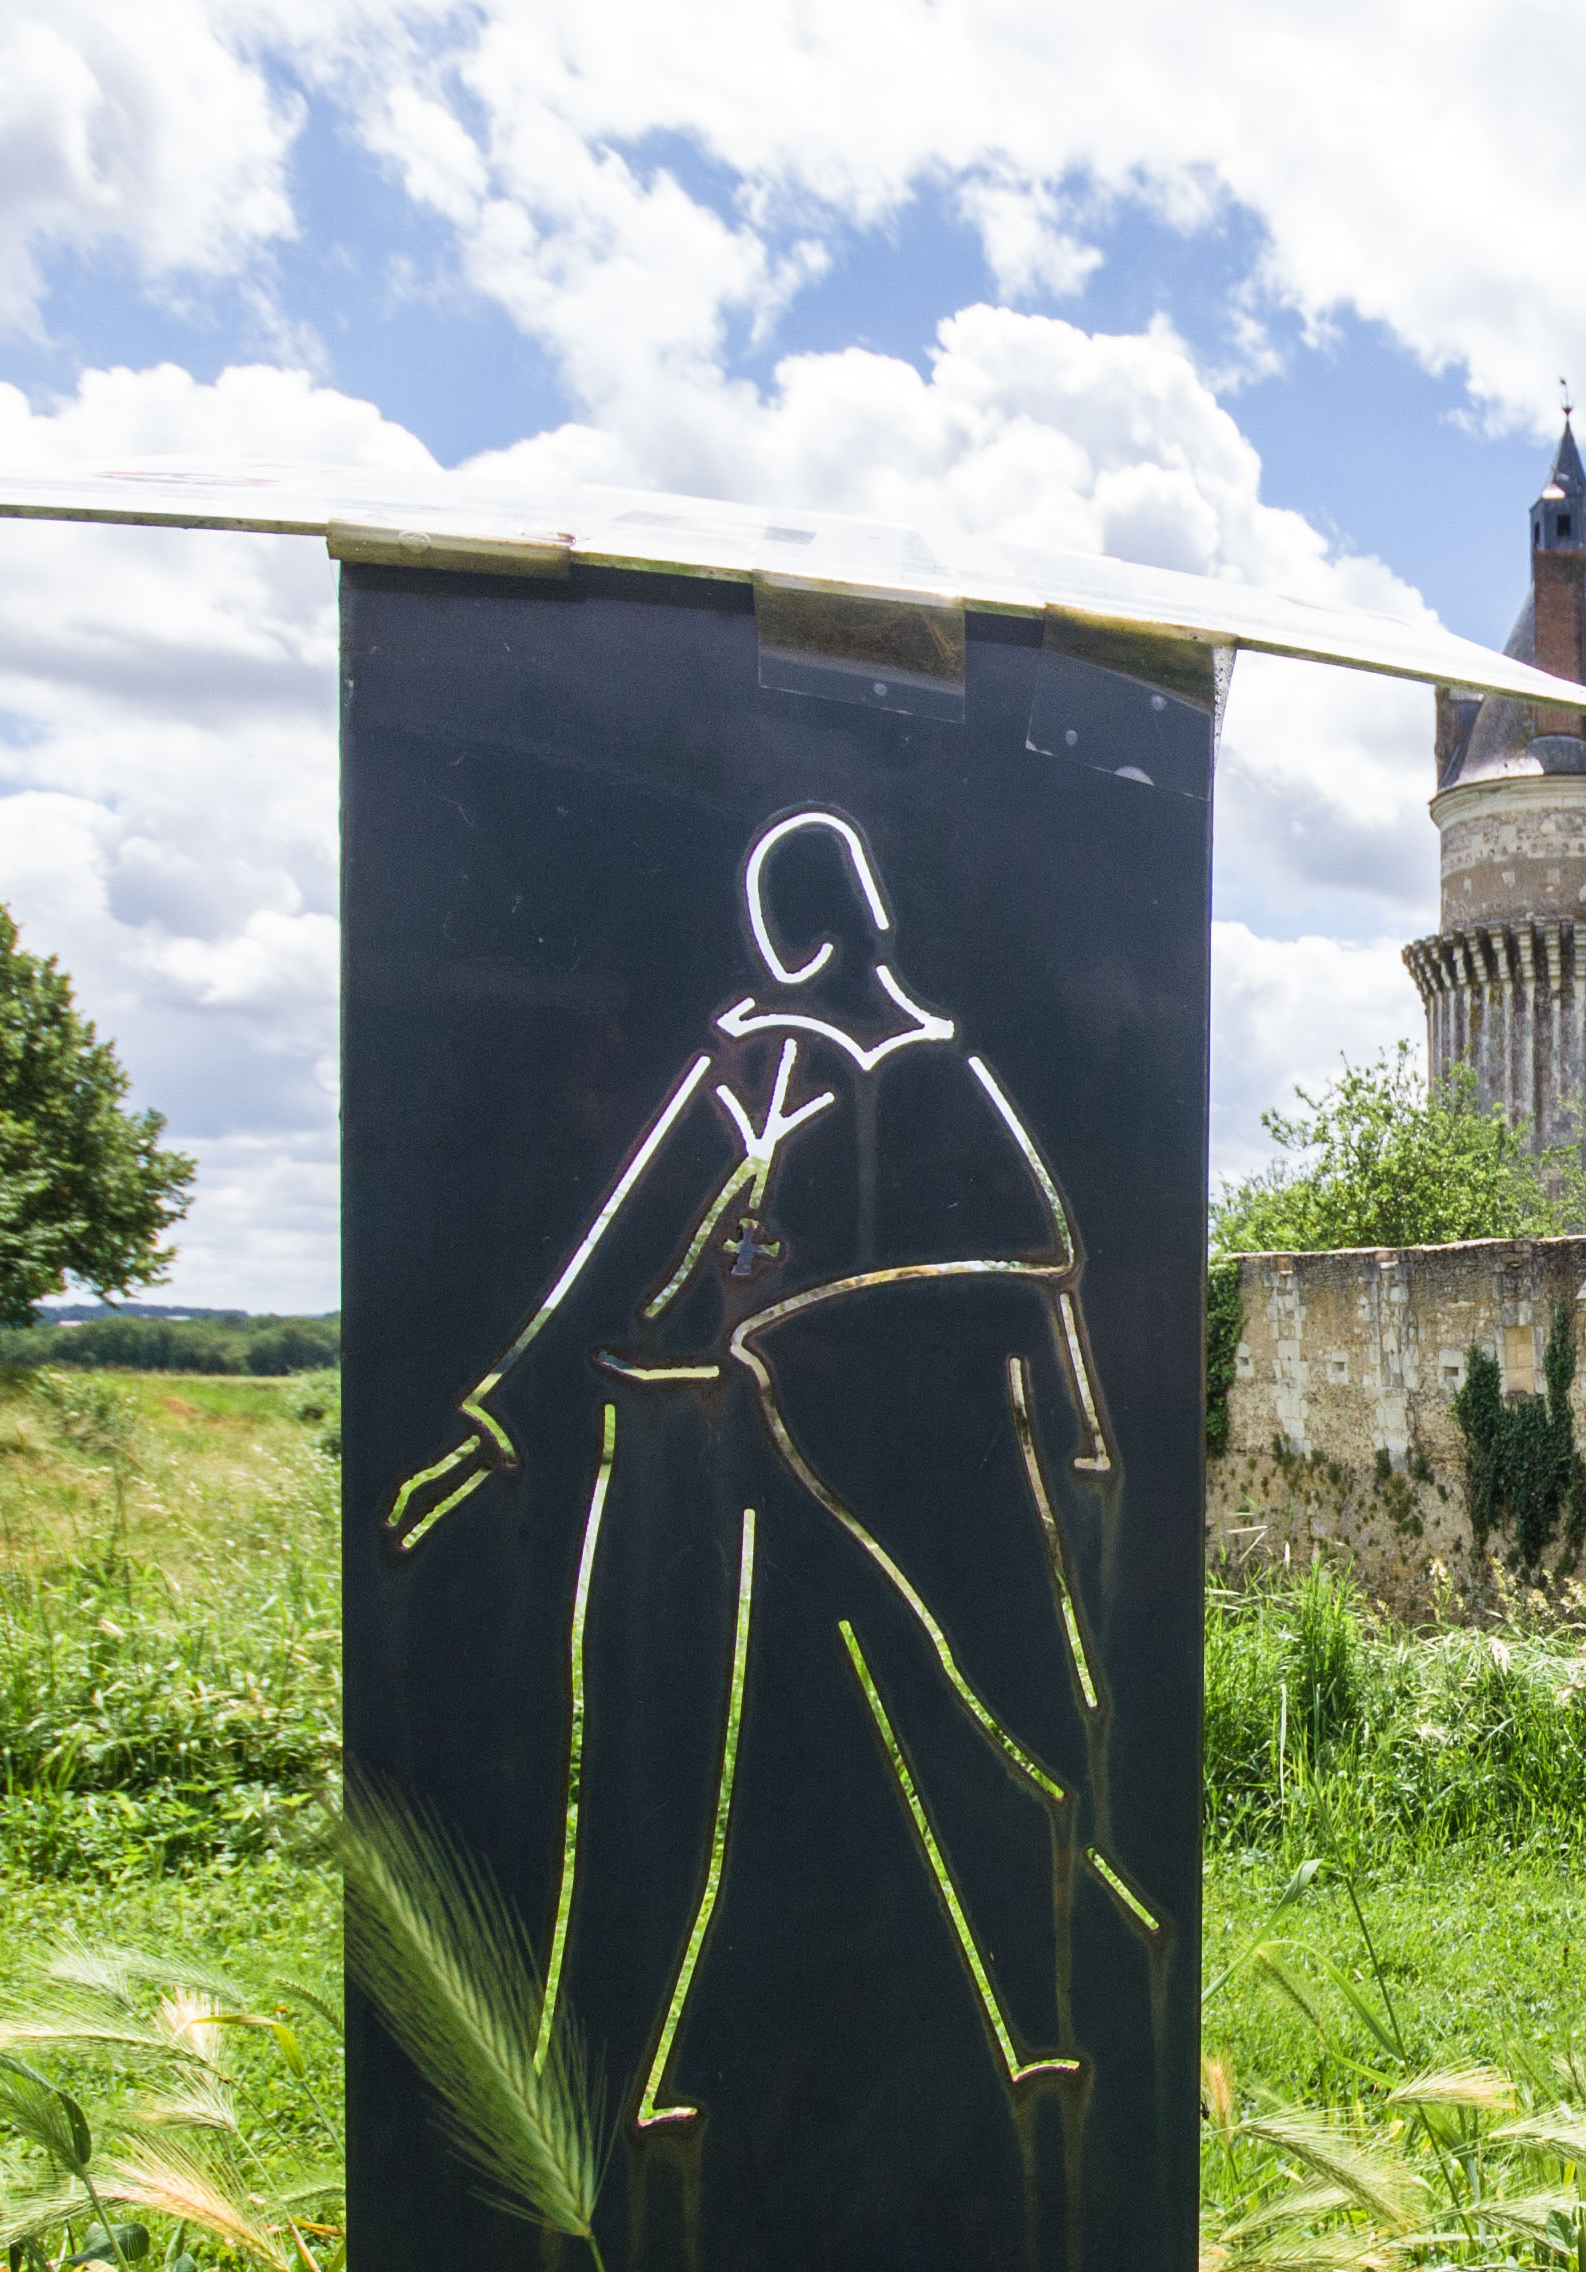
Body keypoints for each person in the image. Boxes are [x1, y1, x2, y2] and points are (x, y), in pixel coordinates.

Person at [386, 808, 1150, 2131]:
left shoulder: (861, 1069)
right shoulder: (819, 1070)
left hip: (880, 1450)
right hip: (829, 1454)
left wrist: (1082, 1431)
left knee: (969, 1733)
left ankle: (1055, 2017)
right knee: (787, 1759)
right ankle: (651, 2072)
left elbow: (1043, 1272)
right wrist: (499, 1417)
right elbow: (644, 1249)